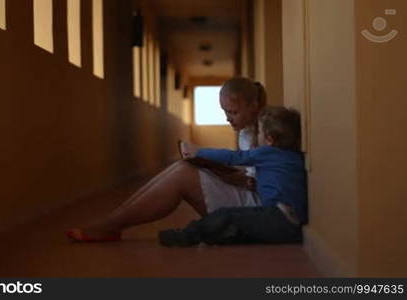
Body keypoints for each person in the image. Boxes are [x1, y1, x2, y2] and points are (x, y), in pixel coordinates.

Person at [66, 77, 268, 242]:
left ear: (254, 105)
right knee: (182, 166)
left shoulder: (266, 133)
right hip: (246, 195)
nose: (227, 118)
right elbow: (246, 171)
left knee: (183, 175)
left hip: (255, 211)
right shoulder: (246, 131)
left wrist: (225, 171)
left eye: (233, 112)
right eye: (224, 112)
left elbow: (258, 183)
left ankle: (110, 226)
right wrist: (216, 167)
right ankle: (111, 222)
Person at [158, 106, 307, 247]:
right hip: (294, 225)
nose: (257, 136)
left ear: (269, 139)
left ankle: (187, 235)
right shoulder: (294, 157)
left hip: (278, 217)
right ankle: (213, 235)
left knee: (226, 214)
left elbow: (234, 156)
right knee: (239, 222)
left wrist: (199, 152)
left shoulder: (266, 152)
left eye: (259, 133)